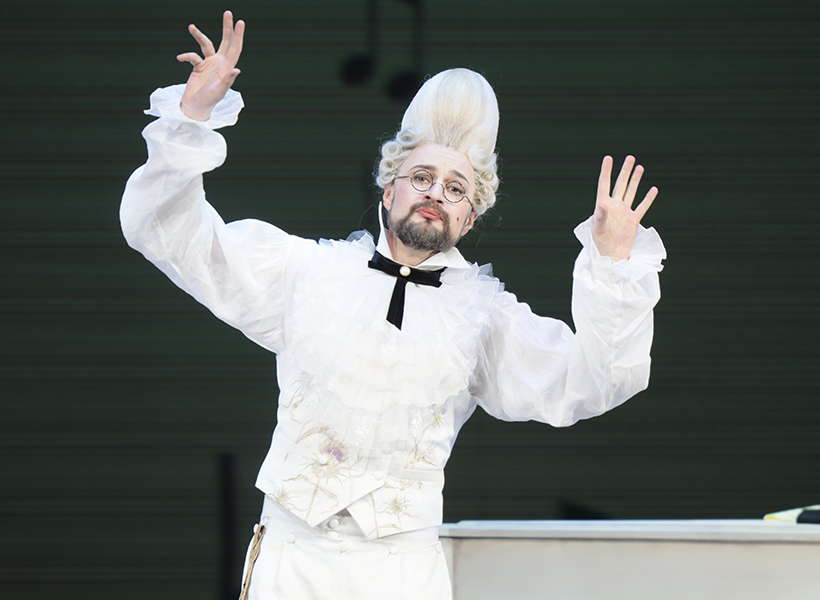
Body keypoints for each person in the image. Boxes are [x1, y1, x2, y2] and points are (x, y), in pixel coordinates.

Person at [120, 11, 665, 600]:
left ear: (470, 216)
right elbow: (169, 233)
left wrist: (612, 266)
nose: (435, 194)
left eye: (456, 188)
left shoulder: (485, 318)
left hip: (403, 572)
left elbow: (597, 378)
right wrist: (192, 118)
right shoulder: (307, 272)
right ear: (389, 188)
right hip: (291, 558)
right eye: (422, 176)